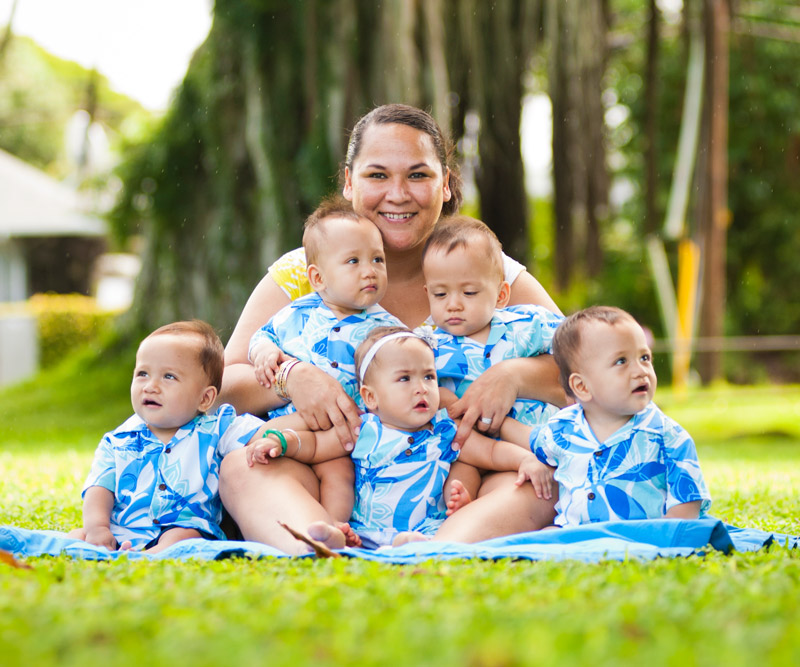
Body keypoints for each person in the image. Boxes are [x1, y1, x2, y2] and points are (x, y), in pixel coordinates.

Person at [219, 104, 563, 552]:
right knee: (241, 467)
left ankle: (434, 548)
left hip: (465, 480)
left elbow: (583, 369)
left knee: (537, 481)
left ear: (445, 185)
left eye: (418, 175)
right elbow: (222, 385)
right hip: (328, 473)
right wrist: (292, 378)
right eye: (377, 175)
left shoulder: (488, 273)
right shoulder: (304, 272)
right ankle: (323, 542)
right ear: (349, 181)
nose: (397, 194)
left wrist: (513, 376)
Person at [247, 327, 541, 550]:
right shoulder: (364, 431)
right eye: (405, 379)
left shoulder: (444, 432)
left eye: (429, 377)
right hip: (367, 528)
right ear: (371, 397)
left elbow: (491, 452)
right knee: (347, 530)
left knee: (423, 538)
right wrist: (281, 442)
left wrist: (525, 459)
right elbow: (314, 447)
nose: (421, 388)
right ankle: (336, 535)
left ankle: (407, 547)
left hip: (430, 529)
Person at [248, 198, 401, 527]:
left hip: (344, 433)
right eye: (353, 261)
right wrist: (264, 354)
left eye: (378, 259)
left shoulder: (386, 329)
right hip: (297, 418)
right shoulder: (296, 313)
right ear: (317, 277)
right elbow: (262, 338)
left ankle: (333, 527)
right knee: (265, 437)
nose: (370, 270)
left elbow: (401, 369)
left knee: (339, 478)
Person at [68, 321, 268, 553]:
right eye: (143, 373)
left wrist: (276, 440)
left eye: (169, 377)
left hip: (183, 527)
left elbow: (262, 432)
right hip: (122, 529)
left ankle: (150, 556)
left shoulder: (216, 429)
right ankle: (105, 548)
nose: (150, 386)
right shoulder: (118, 440)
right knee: (77, 537)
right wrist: (98, 528)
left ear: (205, 398)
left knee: (184, 536)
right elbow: (99, 488)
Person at [505, 306, 712, 526]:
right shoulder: (565, 428)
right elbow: (529, 437)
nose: (641, 370)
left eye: (644, 358)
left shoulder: (666, 435)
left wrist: (663, 539)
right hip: (573, 537)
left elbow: (687, 506)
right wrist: (493, 424)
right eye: (621, 361)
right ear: (582, 386)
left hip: (640, 538)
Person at [421, 215, 565, 510]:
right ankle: (459, 502)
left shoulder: (526, 324)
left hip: (532, 437)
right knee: (460, 469)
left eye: (469, 292)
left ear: (501, 295)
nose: (453, 303)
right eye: (440, 294)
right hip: (473, 446)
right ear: (428, 295)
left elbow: (574, 351)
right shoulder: (427, 345)